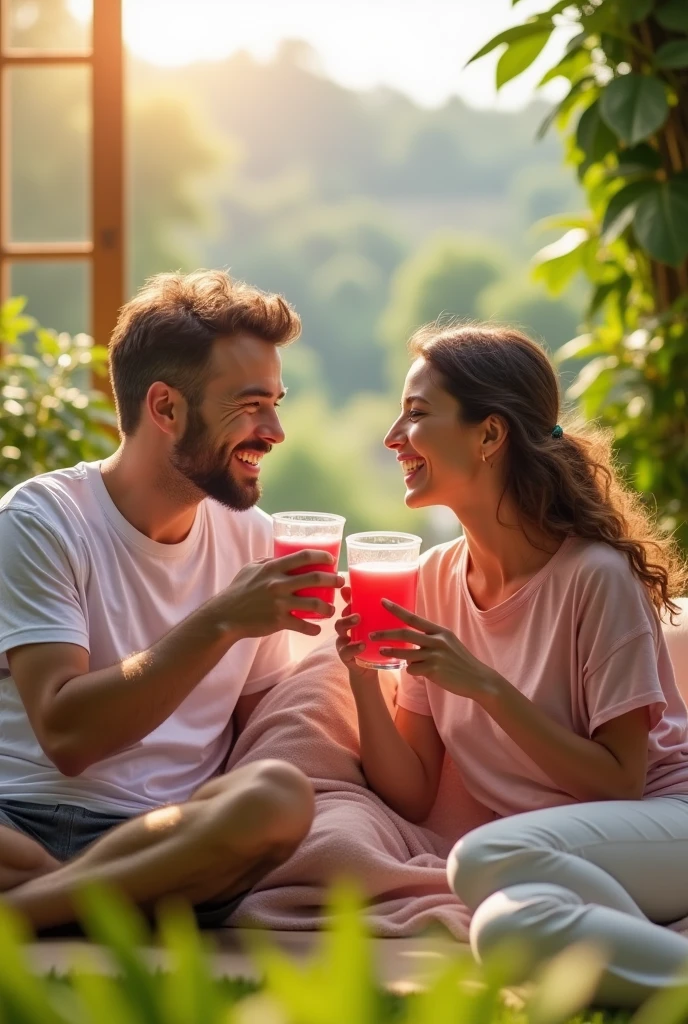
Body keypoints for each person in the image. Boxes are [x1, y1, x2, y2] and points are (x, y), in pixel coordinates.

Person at [336, 323, 688, 1007]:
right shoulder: (434, 579)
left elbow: (619, 783)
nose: (392, 436)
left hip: (664, 822)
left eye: (416, 413)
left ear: (489, 436)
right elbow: (411, 791)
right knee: (504, 926)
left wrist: (486, 687)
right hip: (552, 856)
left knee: (482, 861)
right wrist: (359, 672)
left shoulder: (594, 576)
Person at [0, 270, 344, 932]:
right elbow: (68, 736)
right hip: (19, 819)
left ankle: (30, 912)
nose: (273, 430)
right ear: (165, 408)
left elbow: (256, 732)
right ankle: (97, 902)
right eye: (250, 405)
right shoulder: (43, 517)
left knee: (277, 797)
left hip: (161, 835)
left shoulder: (254, 538)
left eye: (276, 402)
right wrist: (218, 621)